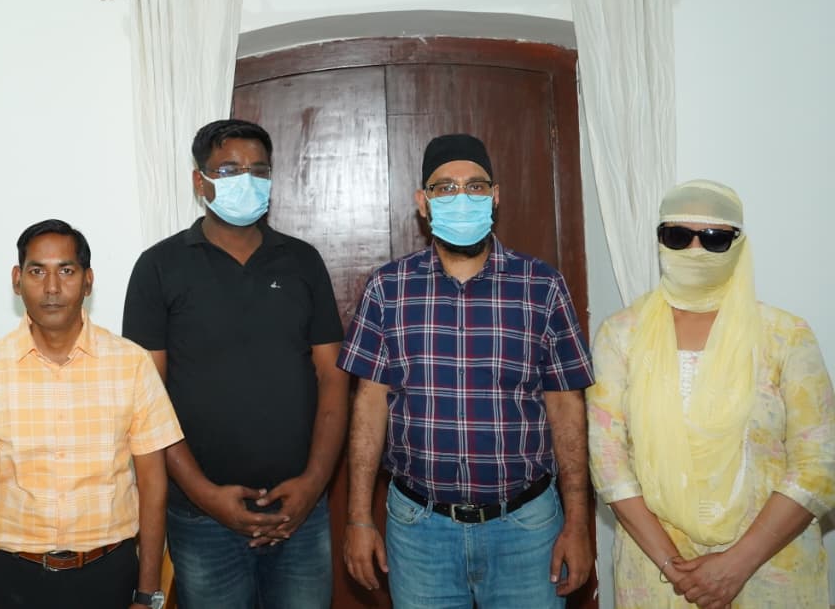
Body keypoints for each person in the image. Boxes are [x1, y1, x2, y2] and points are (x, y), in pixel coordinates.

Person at [340, 133, 594, 608]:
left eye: (475, 186)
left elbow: (567, 408)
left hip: (526, 527)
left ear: (495, 196)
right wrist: (358, 518)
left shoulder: (541, 286)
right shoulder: (388, 288)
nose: (462, 198)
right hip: (419, 530)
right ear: (423, 203)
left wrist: (578, 522)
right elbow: (369, 407)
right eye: (445, 188)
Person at [122, 118, 348, 609]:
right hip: (201, 518)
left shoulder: (303, 261)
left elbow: (334, 379)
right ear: (199, 181)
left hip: (300, 513)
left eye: (258, 170)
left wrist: (314, 484)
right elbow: (146, 401)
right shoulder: (158, 267)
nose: (246, 180)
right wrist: (205, 495)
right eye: (229, 169)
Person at [587, 179, 835, 608]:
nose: (695, 249)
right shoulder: (620, 335)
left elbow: (818, 463)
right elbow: (608, 464)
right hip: (658, 575)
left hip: (770, 568)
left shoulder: (786, 336)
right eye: (678, 236)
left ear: (738, 243)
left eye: (714, 238)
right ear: (659, 240)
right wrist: (674, 567)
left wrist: (736, 564)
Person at [0, 219, 182, 609]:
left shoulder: (132, 365)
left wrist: (147, 592)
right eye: (37, 272)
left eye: (66, 271)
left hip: (108, 572)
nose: (52, 287)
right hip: (12, 576)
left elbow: (153, 483)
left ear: (88, 281)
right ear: (17, 280)